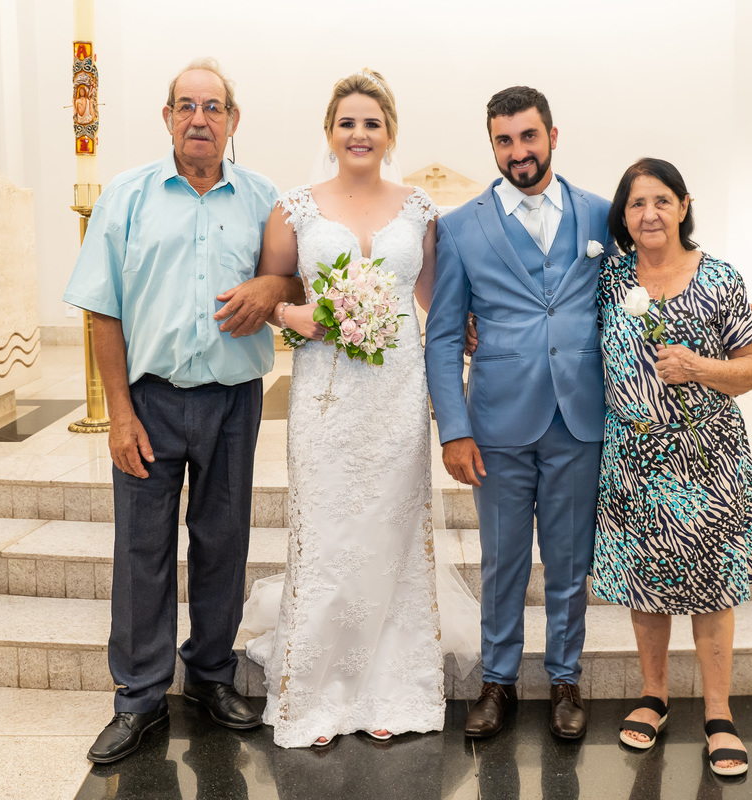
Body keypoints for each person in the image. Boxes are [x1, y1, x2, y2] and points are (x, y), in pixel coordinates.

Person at [63, 58, 302, 764]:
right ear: (167, 116)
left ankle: (209, 675)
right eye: (186, 106)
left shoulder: (263, 199)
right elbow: (102, 309)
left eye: (214, 107)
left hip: (233, 399)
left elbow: (292, 273)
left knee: (223, 540)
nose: (200, 118)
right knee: (142, 549)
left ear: (233, 120)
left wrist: (270, 283)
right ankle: (138, 697)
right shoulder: (128, 197)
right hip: (152, 401)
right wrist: (120, 414)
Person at [243, 68, 461, 749]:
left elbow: (434, 299)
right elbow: (273, 293)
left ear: (389, 132)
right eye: (347, 122)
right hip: (326, 393)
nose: (359, 133)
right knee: (330, 532)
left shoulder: (420, 210)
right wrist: (292, 316)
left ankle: (393, 684)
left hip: (396, 392)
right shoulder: (294, 208)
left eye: (372, 122)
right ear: (330, 133)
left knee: (392, 532)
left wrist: (480, 334)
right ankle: (318, 693)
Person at [424, 86, 612, 740]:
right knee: (502, 562)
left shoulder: (598, 216)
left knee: (569, 561)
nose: (518, 152)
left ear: (553, 136)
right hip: (498, 423)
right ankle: (497, 683)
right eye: (504, 140)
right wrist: (455, 429)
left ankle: (565, 680)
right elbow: (445, 334)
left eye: (528, 137)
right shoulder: (460, 226)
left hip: (578, 419)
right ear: (493, 144)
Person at [592, 158, 752, 777]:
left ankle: (719, 712)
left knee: (713, 583)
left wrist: (699, 367)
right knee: (647, 580)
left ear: (684, 205)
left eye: (661, 201)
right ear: (624, 214)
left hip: (706, 455)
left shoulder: (719, 278)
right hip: (634, 455)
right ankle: (655, 695)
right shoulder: (610, 279)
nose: (649, 215)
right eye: (637, 204)